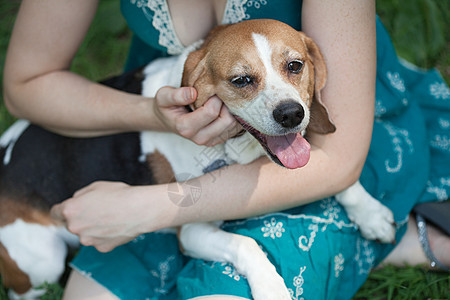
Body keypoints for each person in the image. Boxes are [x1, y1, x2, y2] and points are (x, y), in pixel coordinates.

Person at [3, 0, 449, 299]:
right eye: (242, 79)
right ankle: (398, 240)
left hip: (347, 141)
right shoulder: (187, 86)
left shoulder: (301, 106)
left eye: (294, 68)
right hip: (94, 179)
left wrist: (156, 206)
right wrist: (155, 115)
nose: (286, 105)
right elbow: (26, 84)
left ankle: (399, 233)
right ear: (196, 84)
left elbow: (334, 160)